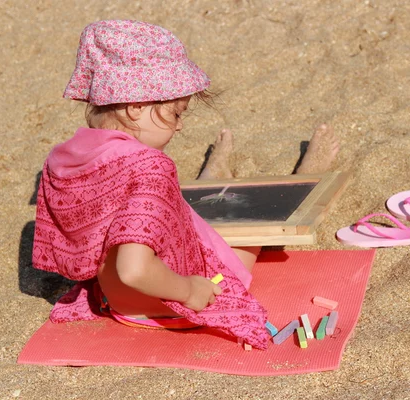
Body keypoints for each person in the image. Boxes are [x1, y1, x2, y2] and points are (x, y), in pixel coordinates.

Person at [32, 20, 339, 349]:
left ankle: (214, 176)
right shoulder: (149, 166)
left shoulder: (66, 156)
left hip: (117, 306)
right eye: (177, 114)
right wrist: (191, 290)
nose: (178, 127)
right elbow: (134, 270)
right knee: (254, 228)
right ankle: (300, 178)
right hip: (167, 307)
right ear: (136, 107)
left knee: (179, 209)